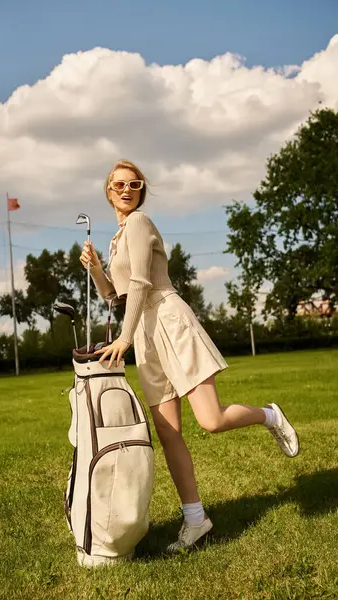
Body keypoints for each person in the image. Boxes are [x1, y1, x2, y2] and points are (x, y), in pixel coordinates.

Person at [79, 159, 299, 553]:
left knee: (211, 420)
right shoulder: (117, 237)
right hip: (144, 334)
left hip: (167, 319)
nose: (127, 190)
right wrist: (97, 269)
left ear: (141, 190)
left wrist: (124, 340)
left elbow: (145, 283)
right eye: (119, 185)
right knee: (168, 432)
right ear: (108, 192)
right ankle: (196, 518)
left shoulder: (141, 223)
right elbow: (116, 296)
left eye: (134, 184)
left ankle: (269, 414)